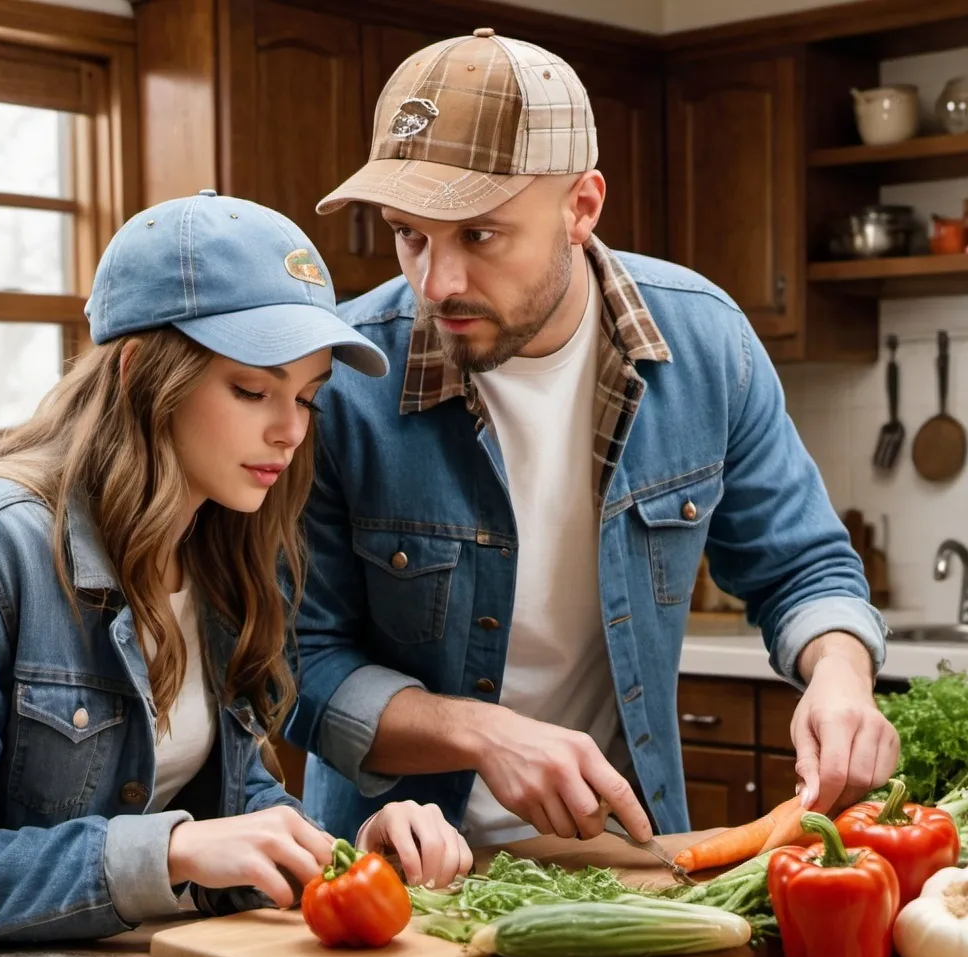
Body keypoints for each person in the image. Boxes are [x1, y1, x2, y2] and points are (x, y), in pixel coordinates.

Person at [287, 29, 900, 849]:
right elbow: (296, 665)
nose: (437, 282)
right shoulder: (337, 378)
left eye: (478, 234)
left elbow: (804, 567)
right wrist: (481, 733)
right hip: (392, 878)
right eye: (409, 234)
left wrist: (840, 675)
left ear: (582, 207)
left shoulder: (707, 345)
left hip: (630, 863)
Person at [0, 190, 471, 944]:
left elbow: (236, 805)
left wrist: (343, 854)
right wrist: (173, 849)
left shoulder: (228, 548)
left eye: (308, 398)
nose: (289, 431)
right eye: (253, 390)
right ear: (138, 373)